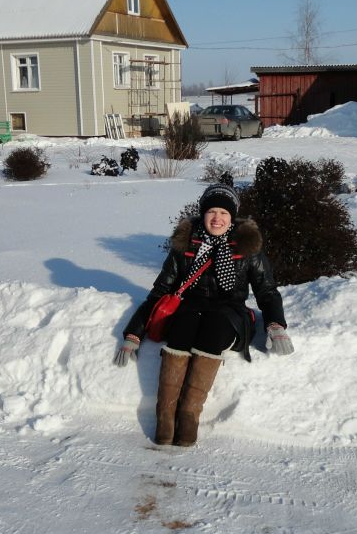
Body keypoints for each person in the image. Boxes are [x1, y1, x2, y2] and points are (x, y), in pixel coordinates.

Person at [113, 183, 293, 446]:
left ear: (232, 217)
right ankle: (165, 417)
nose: (217, 218)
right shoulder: (186, 243)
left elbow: (266, 291)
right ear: (203, 214)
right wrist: (134, 333)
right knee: (182, 326)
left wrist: (275, 324)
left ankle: (188, 416)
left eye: (223, 212)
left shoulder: (246, 245)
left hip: (230, 313)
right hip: (191, 308)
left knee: (214, 327)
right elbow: (160, 292)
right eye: (212, 212)